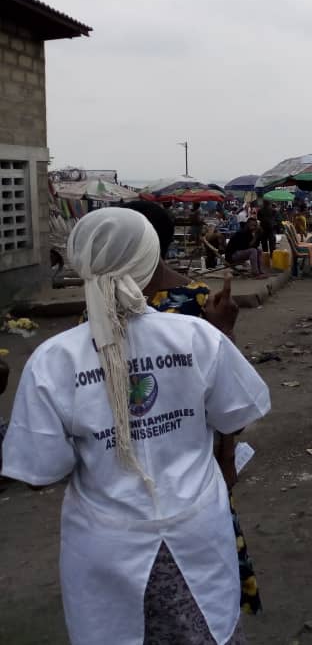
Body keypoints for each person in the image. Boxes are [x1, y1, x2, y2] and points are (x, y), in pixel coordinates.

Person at [1, 207, 270, 644]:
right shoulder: (197, 336)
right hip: (197, 530)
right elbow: (235, 415)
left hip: (106, 545)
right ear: (150, 261)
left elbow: (40, 473)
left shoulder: (55, 360)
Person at [122, 199, 262, 615]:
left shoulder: (197, 301)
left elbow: (225, 391)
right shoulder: (102, 304)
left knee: (198, 570)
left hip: (189, 455)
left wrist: (226, 454)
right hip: (125, 461)